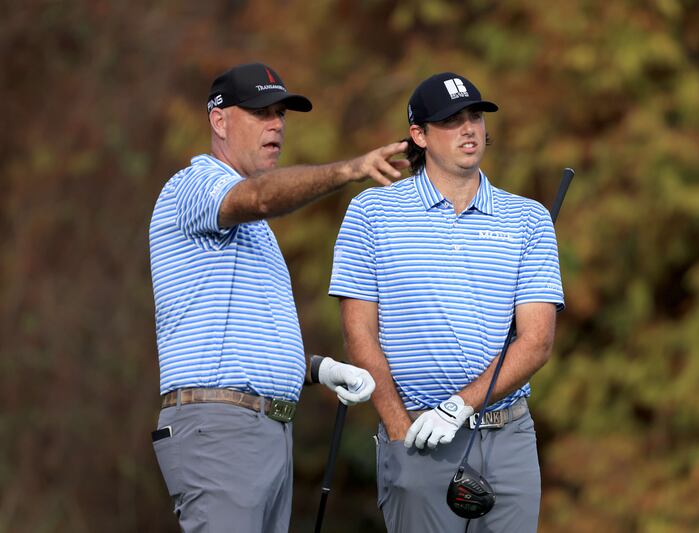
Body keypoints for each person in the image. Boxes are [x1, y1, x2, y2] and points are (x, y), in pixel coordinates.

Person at [149, 62, 409, 533]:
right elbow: (261, 197)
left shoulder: (253, 231)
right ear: (219, 120)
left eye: (281, 114)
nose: (276, 125)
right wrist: (350, 169)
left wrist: (318, 369)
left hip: (262, 432)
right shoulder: (193, 186)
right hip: (221, 429)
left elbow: (244, 337)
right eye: (260, 112)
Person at [329, 72, 565, 532]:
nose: (469, 129)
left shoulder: (529, 218)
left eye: (474, 116)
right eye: (452, 120)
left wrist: (460, 406)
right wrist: (398, 432)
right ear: (419, 134)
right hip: (416, 438)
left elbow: (536, 341)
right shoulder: (370, 213)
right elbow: (360, 335)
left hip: (507, 437)